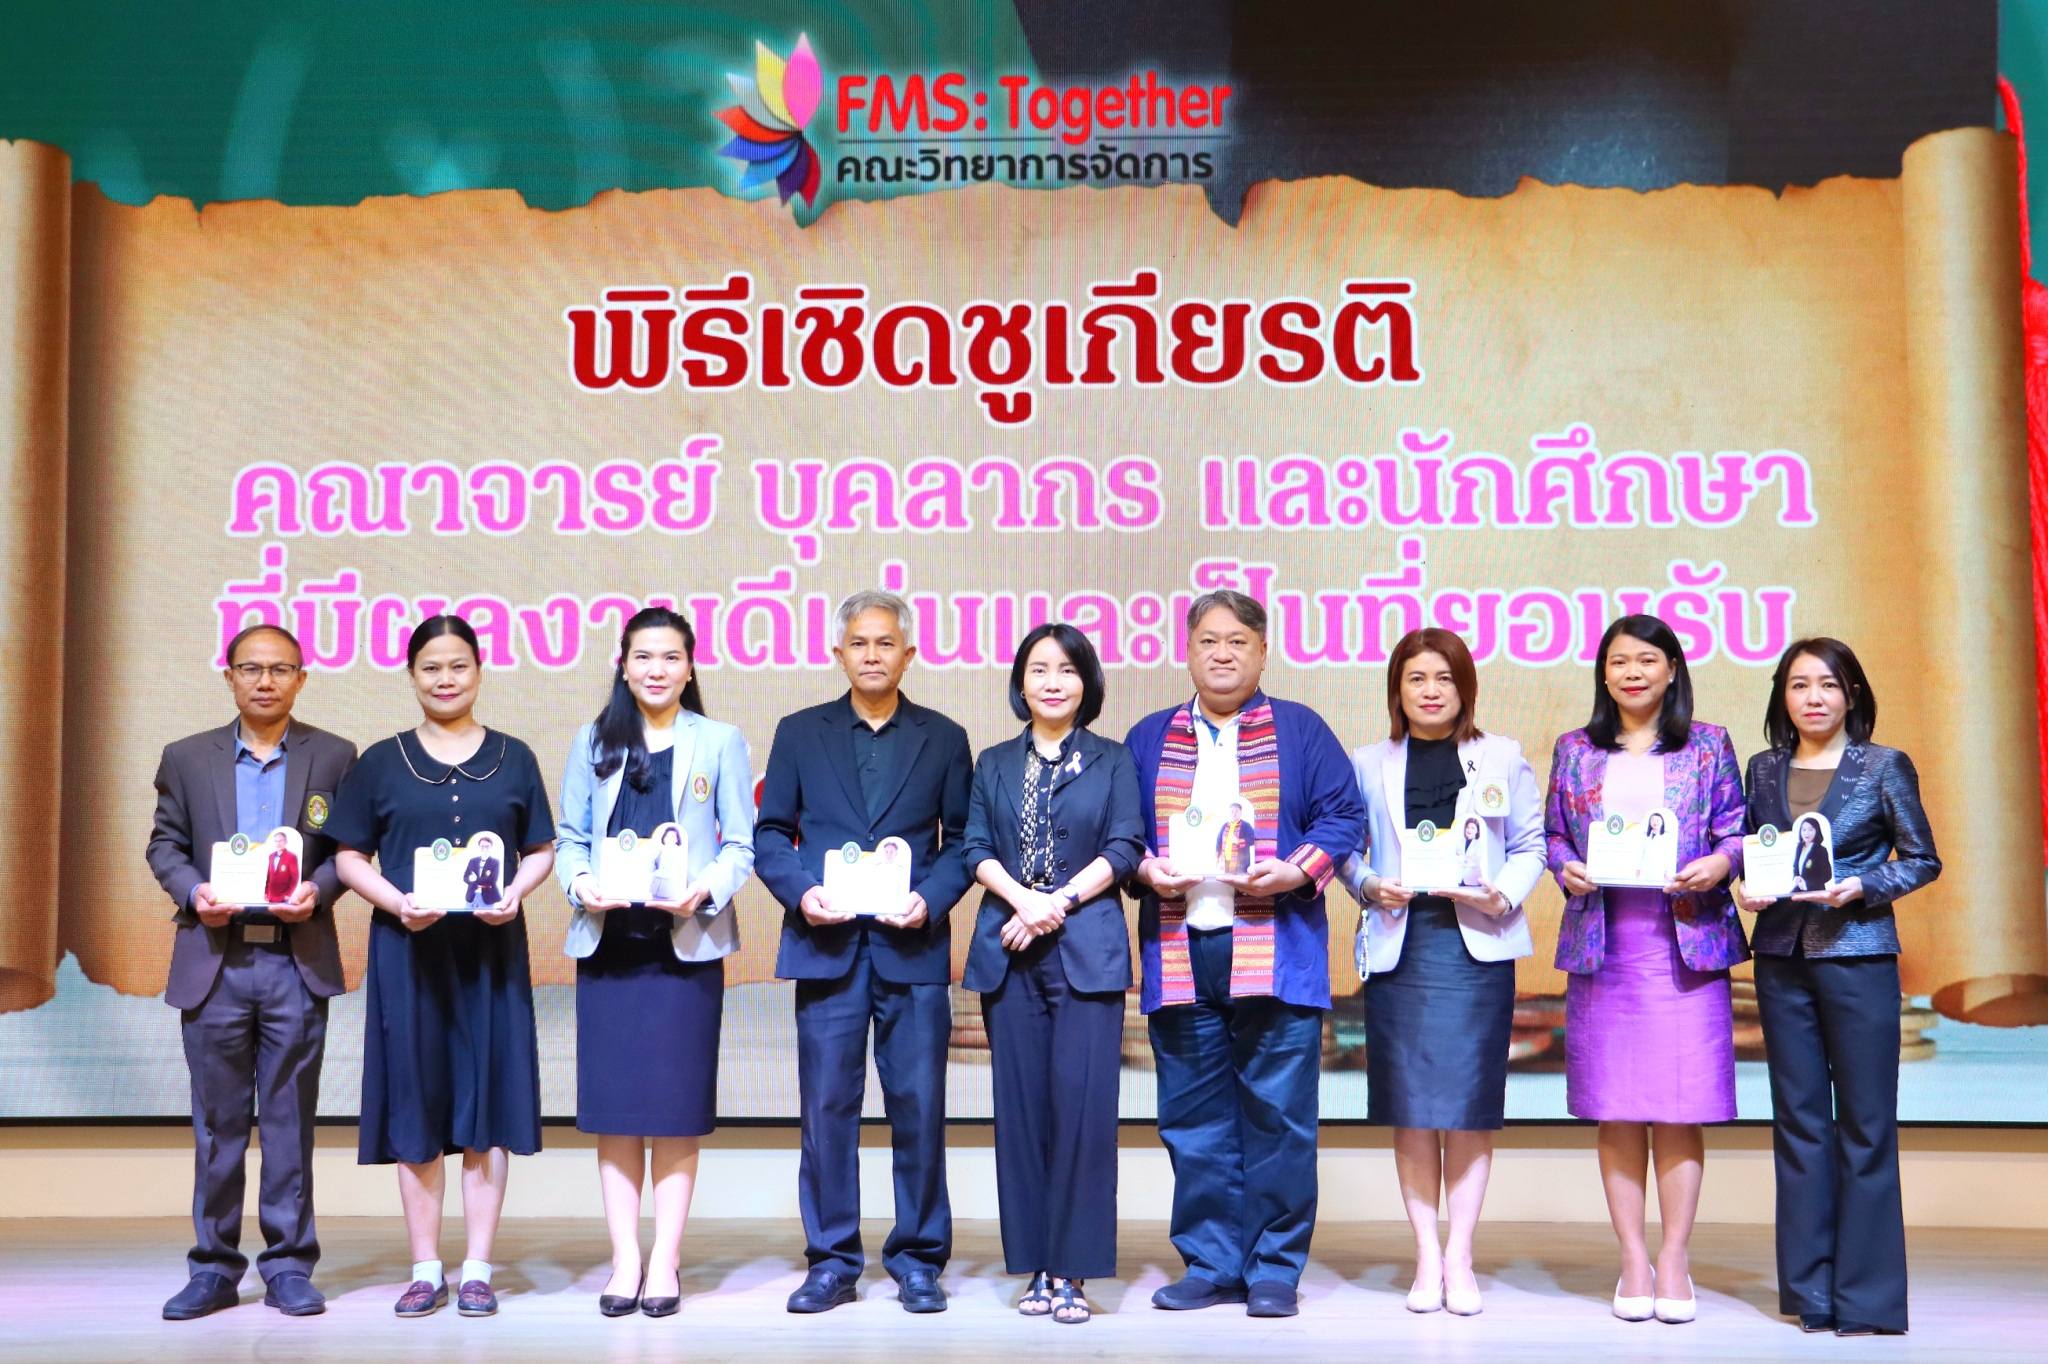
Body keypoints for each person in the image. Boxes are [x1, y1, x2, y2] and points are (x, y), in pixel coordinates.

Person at [1125, 589, 1364, 1318]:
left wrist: (1295, 871)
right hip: (1180, 947)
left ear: (1263, 652)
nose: (1222, 653)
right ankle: (1210, 1263)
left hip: (1276, 949)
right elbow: (1121, 833)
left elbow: (1343, 815)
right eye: (1208, 640)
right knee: (1193, 1120)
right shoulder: (1149, 737)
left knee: (1279, 1119)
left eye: (1237, 641)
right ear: (1187, 650)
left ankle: (1273, 1269)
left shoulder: (1300, 730)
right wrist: (1145, 868)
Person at [328, 616, 556, 1320]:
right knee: (417, 1103)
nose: (446, 679)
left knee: (488, 1106)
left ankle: (479, 1269)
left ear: (480, 671)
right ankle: (426, 1269)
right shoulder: (380, 761)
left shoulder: (514, 757)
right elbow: (347, 856)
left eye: (459, 665)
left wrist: (515, 893)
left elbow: (541, 849)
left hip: (490, 954)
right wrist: (396, 903)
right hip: (409, 954)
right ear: (412, 675)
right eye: (431, 667)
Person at [755, 590, 973, 1315]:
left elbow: (961, 842)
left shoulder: (944, 737)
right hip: (827, 947)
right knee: (826, 1111)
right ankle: (831, 1261)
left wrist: (930, 899)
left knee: (920, 1109)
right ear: (838, 653)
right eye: (859, 643)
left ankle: (918, 1259)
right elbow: (769, 834)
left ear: (908, 655)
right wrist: (802, 893)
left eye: (885, 643)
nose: (872, 655)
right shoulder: (799, 732)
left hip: (912, 948)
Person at [147, 624, 358, 1321]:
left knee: (290, 1122)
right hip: (217, 960)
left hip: (296, 960)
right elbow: (165, 845)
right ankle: (213, 1268)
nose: (265, 681)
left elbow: (348, 851)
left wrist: (319, 891)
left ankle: (289, 1266)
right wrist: (193, 893)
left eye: (280, 669)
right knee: (219, 1125)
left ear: (302, 678)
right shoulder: (186, 757)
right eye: (251, 668)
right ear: (229, 676)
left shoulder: (334, 755)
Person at [1545, 614, 1747, 1326]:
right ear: (1604, 675)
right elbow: (1554, 835)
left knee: (1680, 1107)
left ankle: (1675, 1258)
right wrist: (1564, 867)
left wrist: (1719, 863)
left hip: (1684, 947)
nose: (1633, 672)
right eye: (1619, 662)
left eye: (1647, 660)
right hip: (1607, 950)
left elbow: (1735, 830)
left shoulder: (1709, 744)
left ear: (1672, 670)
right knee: (1619, 1106)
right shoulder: (1575, 749)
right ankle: (1633, 1258)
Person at [556, 606, 756, 1319]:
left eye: (671, 657)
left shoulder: (720, 740)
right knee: (616, 1112)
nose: (657, 669)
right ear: (623, 664)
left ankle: (665, 1260)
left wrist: (707, 889)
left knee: (673, 1112)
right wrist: (581, 885)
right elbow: (570, 837)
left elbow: (740, 844)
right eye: (643, 656)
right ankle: (625, 1260)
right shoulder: (592, 739)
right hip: (609, 948)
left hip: (685, 950)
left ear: (690, 666)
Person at [1736, 637, 1939, 1337]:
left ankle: (1868, 1299)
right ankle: (1811, 1293)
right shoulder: (1763, 768)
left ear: (1851, 693)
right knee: (1798, 1123)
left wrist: (1862, 886)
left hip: (1858, 955)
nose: (1813, 697)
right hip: (1781, 958)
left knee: (1866, 1124)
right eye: (1799, 685)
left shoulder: (1884, 765)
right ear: (1782, 696)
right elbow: (1754, 850)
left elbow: (1922, 858)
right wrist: (1745, 885)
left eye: (1827, 684)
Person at [1340, 627, 1543, 1317]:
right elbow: (1347, 849)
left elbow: (1530, 845)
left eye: (1445, 678)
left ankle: (1461, 1255)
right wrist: (1370, 884)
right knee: (1413, 1108)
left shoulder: (1502, 756)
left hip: (1475, 948)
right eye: (1417, 679)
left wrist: (1501, 895)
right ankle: (1427, 1255)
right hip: (1400, 949)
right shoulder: (1368, 762)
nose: (1431, 691)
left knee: (1468, 1107)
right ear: (1397, 690)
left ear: (1466, 687)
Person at [960, 623, 1146, 1326]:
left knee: (1084, 1115)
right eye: (1039, 669)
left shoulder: (1113, 759)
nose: (1053, 681)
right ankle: (1036, 1265)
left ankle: (1074, 1268)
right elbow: (975, 846)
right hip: (1008, 954)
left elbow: (1125, 848)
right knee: (1022, 1117)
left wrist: (1054, 904)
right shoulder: (993, 762)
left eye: (1067, 669)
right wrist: (1023, 901)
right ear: (1021, 682)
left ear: (1086, 682)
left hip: (1086, 953)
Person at [1791, 815, 1833, 893]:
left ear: (1816, 831)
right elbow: (1795, 867)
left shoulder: (1821, 850)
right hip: (1800, 889)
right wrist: (1796, 876)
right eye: (1804, 830)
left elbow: (1827, 875)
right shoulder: (1799, 847)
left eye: (1810, 830)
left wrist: (1807, 884)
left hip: (1816, 891)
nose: (1806, 833)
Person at [649, 824, 688, 903]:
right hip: (656, 882)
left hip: (669, 884)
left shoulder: (678, 852)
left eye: (673, 837)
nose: (670, 838)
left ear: (677, 839)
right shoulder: (659, 850)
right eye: (668, 836)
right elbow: (651, 866)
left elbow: (679, 870)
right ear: (664, 838)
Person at [463, 834, 502, 909]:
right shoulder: (473, 861)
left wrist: (475, 879)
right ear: (479, 847)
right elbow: (465, 877)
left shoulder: (495, 862)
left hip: (487, 897)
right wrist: (470, 878)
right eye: (482, 846)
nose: (484, 848)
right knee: (466, 916)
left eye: (487, 846)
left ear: (491, 847)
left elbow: (493, 879)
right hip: (472, 895)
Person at [263, 830, 301, 905]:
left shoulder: (291, 857)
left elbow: (295, 878)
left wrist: (288, 894)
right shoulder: (271, 856)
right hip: (271, 897)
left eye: (280, 841)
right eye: (276, 841)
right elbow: (269, 876)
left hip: (283, 897)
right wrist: (266, 892)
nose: (278, 843)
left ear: (286, 842)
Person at [1215, 802, 1253, 875]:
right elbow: (1218, 842)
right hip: (1225, 862)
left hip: (1241, 864)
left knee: (1239, 882)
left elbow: (1252, 840)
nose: (1234, 813)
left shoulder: (1246, 826)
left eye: (1236, 811)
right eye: (1232, 811)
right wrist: (1217, 857)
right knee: (1226, 881)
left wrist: (1238, 841)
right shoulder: (1224, 826)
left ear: (1240, 812)